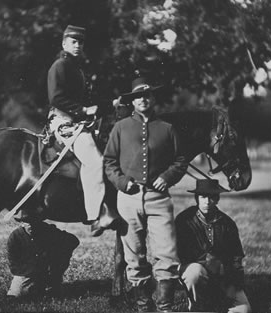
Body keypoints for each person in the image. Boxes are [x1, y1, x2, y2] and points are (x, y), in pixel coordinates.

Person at [103, 77, 188, 312]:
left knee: (167, 253)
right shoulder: (120, 128)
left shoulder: (167, 128)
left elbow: (181, 160)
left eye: (147, 95)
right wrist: (121, 182)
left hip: (158, 199)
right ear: (132, 102)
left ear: (153, 98)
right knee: (134, 254)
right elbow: (109, 161)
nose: (143, 99)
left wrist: (167, 177)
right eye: (138, 96)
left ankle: (165, 306)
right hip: (129, 199)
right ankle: (143, 305)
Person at [47, 24, 115, 236]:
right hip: (63, 122)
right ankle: (95, 215)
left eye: (80, 42)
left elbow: (89, 101)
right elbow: (56, 98)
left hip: (79, 121)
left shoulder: (77, 68)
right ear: (64, 43)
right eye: (73, 41)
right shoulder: (60, 65)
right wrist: (84, 110)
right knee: (95, 160)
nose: (77, 45)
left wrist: (111, 104)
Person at [175, 179, 252, 313]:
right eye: (203, 197)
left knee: (244, 310)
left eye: (211, 197)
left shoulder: (227, 223)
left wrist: (233, 280)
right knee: (194, 273)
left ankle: (217, 301)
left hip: (223, 276)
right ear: (197, 198)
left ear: (217, 199)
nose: (207, 201)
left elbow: (236, 255)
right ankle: (196, 306)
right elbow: (180, 253)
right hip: (197, 271)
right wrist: (206, 262)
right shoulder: (184, 220)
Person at [7, 210, 79, 299]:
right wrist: (32, 271)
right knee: (15, 296)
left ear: (39, 221)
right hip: (25, 275)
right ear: (21, 223)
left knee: (54, 294)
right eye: (27, 222)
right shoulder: (15, 237)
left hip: (47, 272)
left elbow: (72, 240)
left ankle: (50, 284)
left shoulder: (48, 231)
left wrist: (59, 263)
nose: (30, 225)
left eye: (34, 221)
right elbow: (14, 264)